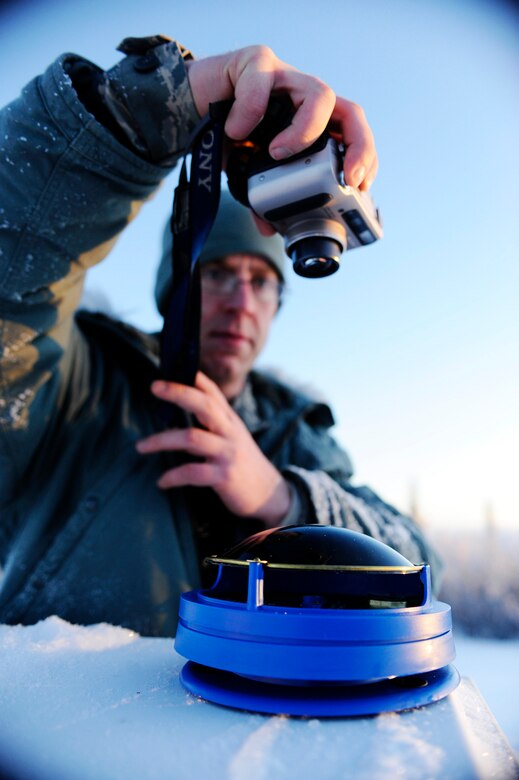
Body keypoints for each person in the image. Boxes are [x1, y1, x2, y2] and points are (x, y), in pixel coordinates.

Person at [0, 36, 439, 637]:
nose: (240, 300)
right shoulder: (77, 388)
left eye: (262, 282)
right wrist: (160, 107)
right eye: (220, 272)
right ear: (176, 283)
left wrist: (282, 498)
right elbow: (12, 273)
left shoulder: (294, 435)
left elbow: (418, 564)